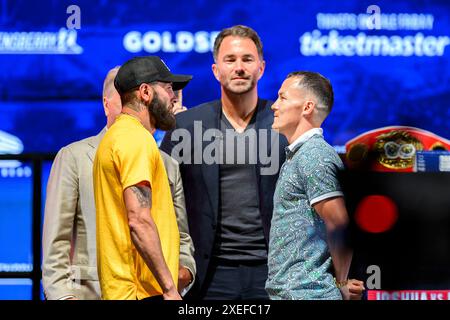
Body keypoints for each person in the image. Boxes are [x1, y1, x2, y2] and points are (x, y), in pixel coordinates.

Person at [43, 63, 195, 300]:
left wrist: (182, 274)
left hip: (135, 289)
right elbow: (138, 220)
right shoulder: (132, 140)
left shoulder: (145, 151)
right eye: (168, 89)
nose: (174, 99)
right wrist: (169, 288)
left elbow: (177, 232)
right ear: (144, 93)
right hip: (122, 292)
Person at [161, 25, 288, 300]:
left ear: (261, 68)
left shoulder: (285, 125)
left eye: (247, 59)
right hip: (208, 275)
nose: (239, 67)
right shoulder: (185, 126)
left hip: (274, 272)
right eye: (230, 60)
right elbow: (163, 202)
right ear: (216, 70)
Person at [265, 71, 365, 300]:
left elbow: (339, 222)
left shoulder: (315, 155)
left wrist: (341, 282)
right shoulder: (300, 155)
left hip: (309, 294)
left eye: (283, 97)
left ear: (307, 107)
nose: (274, 105)